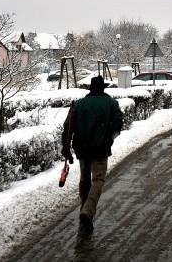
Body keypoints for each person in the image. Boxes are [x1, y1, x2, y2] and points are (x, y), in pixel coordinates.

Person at [62, 75, 123, 231]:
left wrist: (66, 147)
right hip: (100, 147)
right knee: (98, 179)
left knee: (84, 179)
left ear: (90, 89)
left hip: (82, 148)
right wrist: (110, 138)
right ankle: (87, 211)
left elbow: (68, 126)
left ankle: (84, 209)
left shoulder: (79, 104)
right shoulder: (111, 103)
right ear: (103, 88)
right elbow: (118, 124)